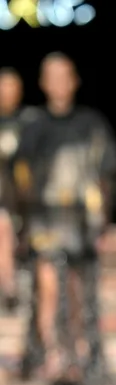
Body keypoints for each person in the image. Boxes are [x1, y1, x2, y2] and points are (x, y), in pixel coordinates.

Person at [15, 52, 116, 385]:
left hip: (80, 223)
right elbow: (21, 177)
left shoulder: (91, 124)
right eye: (51, 75)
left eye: (65, 75)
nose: (59, 82)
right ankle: (56, 365)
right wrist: (23, 224)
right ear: (43, 82)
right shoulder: (33, 127)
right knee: (48, 292)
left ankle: (76, 364)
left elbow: (106, 173)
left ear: (75, 79)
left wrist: (102, 219)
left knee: (76, 297)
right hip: (45, 222)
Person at [0, 67, 36, 311]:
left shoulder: (29, 121)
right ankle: (9, 287)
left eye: (12, 87)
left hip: (24, 193)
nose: (8, 93)